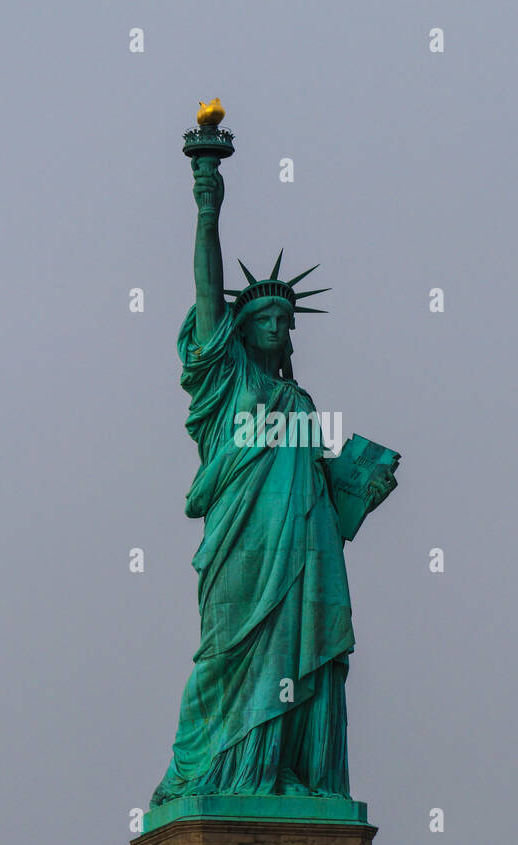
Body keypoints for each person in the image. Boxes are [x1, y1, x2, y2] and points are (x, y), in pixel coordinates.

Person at [149, 158, 394, 806]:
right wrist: (208, 204)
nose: (277, 326)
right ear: (240, 328)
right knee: (226, 654)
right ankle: (214, 772)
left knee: (304, 655)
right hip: (243, 542)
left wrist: (357, 492)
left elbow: (316, 489)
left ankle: (291, 775)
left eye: (285, 320)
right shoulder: (226, 382)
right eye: (263, 317)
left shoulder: (300, 400)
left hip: (310, 548)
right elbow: (208, 293)